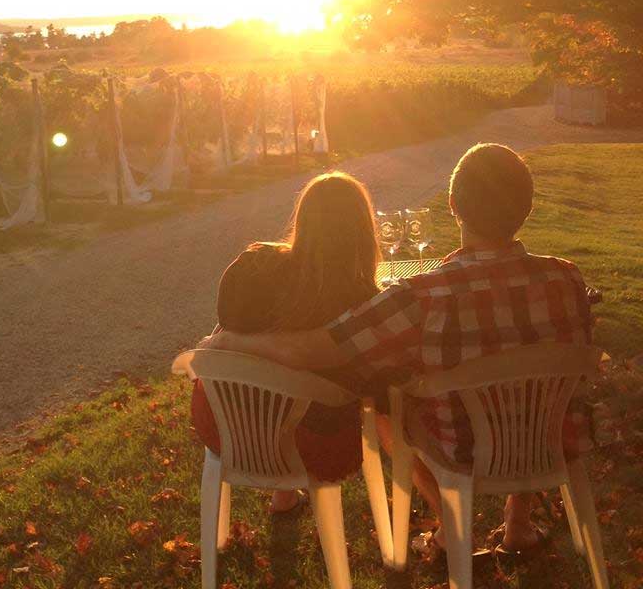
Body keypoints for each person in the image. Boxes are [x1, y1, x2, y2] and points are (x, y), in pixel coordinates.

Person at [202, 143, 594, 556]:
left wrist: (229, 342)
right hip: (552, 439)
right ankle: (518, 524)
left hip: (462, 448)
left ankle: (451, 528)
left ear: (453, 206)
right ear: (527, 209)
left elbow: (322, 349)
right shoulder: (567, 280)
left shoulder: (422, 297)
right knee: (528, 392)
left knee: (396, 406)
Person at [192, 171, 380, 512]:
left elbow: (227, 326)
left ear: (303, 218)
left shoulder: (251, 265)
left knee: (273, 388)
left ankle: (284, 496)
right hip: (311, 445)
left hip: (225, 427)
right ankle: (288, 491)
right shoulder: (362, 300)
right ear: (363, 232)